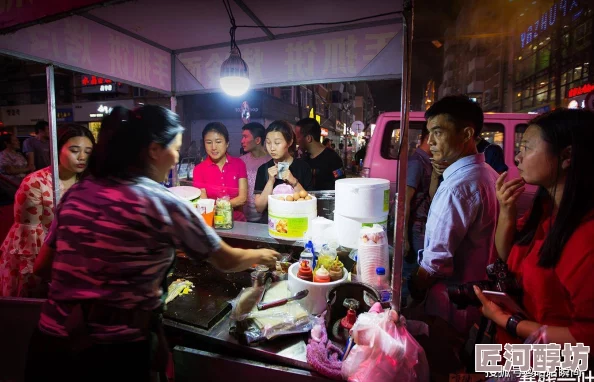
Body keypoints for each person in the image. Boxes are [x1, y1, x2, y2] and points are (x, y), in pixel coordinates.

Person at [25, 106, 279, 382]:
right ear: (154, 150)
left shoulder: (78, 194)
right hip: (111, 357)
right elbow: (225, 260)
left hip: (50, 345)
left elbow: (42, 266)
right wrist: (262, 255)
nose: (176, 159)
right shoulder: (160, 201)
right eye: (174, 149)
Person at [475, 109, 594, 349]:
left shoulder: (587, 236)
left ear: (566, 155)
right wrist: (507, 212)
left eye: (527, 148)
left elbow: (587, 338)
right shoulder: (545, 209)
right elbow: (506, 257)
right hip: (517, 356)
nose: (518, 158)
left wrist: (509, 322)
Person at [410, 95, 499, 335]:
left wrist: (415, 290)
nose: (431, 142)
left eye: (438, 132)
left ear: (467, 134)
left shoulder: (457, 188)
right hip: (476, 296)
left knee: (443, 362)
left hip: (451, 302)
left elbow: (435, 261)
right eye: (429, 134)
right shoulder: (489, 173)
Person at [0, 124, 94, 297]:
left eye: (88, 152)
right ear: (58, 150)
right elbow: (29, 239)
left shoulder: (88, 184)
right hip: (37, 261)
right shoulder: (35, 183)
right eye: (75, 150)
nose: (82, 157)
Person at [254, 120, 312, 220]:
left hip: (296, 223)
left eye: (277, 143)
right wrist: (270, 181)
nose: (272, 148)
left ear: (290, 142)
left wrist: (294, 182)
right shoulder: (263, 169)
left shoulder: (303, 167)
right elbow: (259, 208)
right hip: (271, 223)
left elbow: (309, 203)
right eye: (268, 143)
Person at [401, 124, 432, 306]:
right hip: (415, 228)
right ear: (428, 138)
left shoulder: (427, 162)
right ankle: (404, 311)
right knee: (409, 273)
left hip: (422, 227)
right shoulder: (417, 163)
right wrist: (404, 237)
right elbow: (405, 201)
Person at [193, 122, 248, 221]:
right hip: (212, 222)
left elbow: (243, 198)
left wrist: (217, 206)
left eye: (218, 142)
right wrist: (229, 204)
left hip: (238, 223)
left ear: (227, 143)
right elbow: (204, 203)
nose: (213, 147)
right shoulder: (199, 169)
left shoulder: (239, 164)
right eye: (208, 142)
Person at [294, 118, 344, 191]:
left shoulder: (333, 158)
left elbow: (341, 184)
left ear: (308, 138)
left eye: (298, 137)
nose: (296, 141)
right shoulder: (304, 158)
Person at [240, 122, 270, 223]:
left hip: (265, 218)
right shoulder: (241, 161)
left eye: (245, 137)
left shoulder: (271, 161)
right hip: (243, 218)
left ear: (257, 140)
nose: (242, 141)